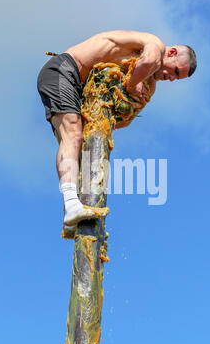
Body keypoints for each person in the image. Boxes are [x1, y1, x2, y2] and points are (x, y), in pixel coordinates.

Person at [37, 30, 197, 231]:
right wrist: (132, 84)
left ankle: (73, 212)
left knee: (79, 150)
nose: (171, 78)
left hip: (76, 90)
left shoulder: (151, 85)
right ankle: (71, 205)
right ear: (172, 53)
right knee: (73, 134)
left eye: (177, 78)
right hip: (65, 70)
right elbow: (146, 63)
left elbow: (124, 120)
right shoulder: (154, 45)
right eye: (175, 71)